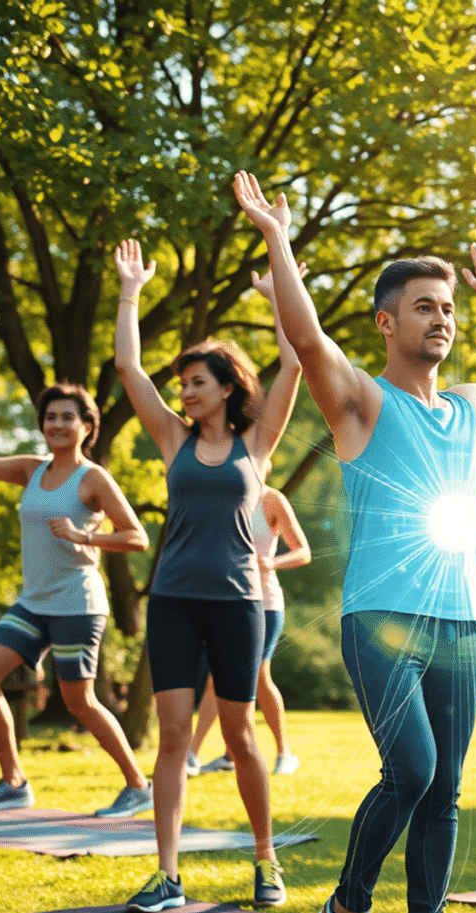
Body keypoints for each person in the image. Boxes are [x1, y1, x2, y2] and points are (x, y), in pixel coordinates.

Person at [234, 170, 476, 913]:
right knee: (411, 770)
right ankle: (348, 912)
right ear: (387, 322)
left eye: (448, 308)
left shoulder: (469, 407)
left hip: (464, 616)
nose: (442, 318)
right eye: (425, 306)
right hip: (382, 614)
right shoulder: (363, 406)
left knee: (446, 787)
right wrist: (279, 239)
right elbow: (308, 342)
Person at [113, 238, 302, 913]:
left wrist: (280, 297)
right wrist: (131, 290)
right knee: (170, 738)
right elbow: (129, 366)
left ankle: (265, 859)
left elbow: (294, 360)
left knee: (241, 736)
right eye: (183, 383)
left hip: (237, 604)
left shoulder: (258, 443)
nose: (185, 392)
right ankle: (167, 874)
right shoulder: (172, 439)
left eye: (197, 382)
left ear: (226, 387)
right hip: (172, 602)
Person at [0, 384, 152, 817]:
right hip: (34, 603)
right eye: (50, 417)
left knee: (80, 701)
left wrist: (86, 537)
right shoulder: (30, 470)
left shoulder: (93, 478)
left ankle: (138, 786)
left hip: (77, 603)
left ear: (87, 427)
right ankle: (13, 782)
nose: (57, 425)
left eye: (67, 417)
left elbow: (137, 536)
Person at [187, 271, 313, 779]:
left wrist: (270, 561)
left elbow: (302, 552)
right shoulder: (211, 488)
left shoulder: (273, 499)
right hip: (226, 599)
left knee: (252, 679)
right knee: (229, 679)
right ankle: (218, 751)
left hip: (266, 601)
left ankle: (281, 752)